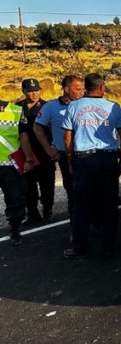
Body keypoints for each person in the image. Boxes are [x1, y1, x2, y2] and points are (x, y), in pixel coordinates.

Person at [62, 73, 121, 258]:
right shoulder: (113, 107)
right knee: (108, 202)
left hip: (83, 159)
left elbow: (68, 137)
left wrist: (70, 161)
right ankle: (108, 246)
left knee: (81, 205)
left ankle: (79, 247)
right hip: (107, 158)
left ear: (85, 87)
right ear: (102, 87)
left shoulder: (74, 106)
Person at [33, 75, 85, 220]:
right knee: (72, 191)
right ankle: (76, 227)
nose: (82, 91)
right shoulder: (50, 106)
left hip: (87, 155)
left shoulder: (86, 104)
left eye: (83, 88)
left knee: (90, 189)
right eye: (78, 89)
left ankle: (95, 222)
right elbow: (37, 127)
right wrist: (48, 149)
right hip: (66, 155)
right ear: (66, 89)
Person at [17, 78, 54, 225]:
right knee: (28, 186)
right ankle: (32, 213)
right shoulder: (17, 108)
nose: (34, 94)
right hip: (25, 153)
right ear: (24, 92)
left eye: (37, 90)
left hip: (44, 152)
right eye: (30, 91)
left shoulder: (47, 106)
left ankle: (48, 210)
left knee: (47, 183)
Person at [0, 99, 35, 245]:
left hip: (9, 165)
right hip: (8, 166)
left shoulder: (14, 110)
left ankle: (14, 230)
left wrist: (28, 159)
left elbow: (23, 137)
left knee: (16, 200)